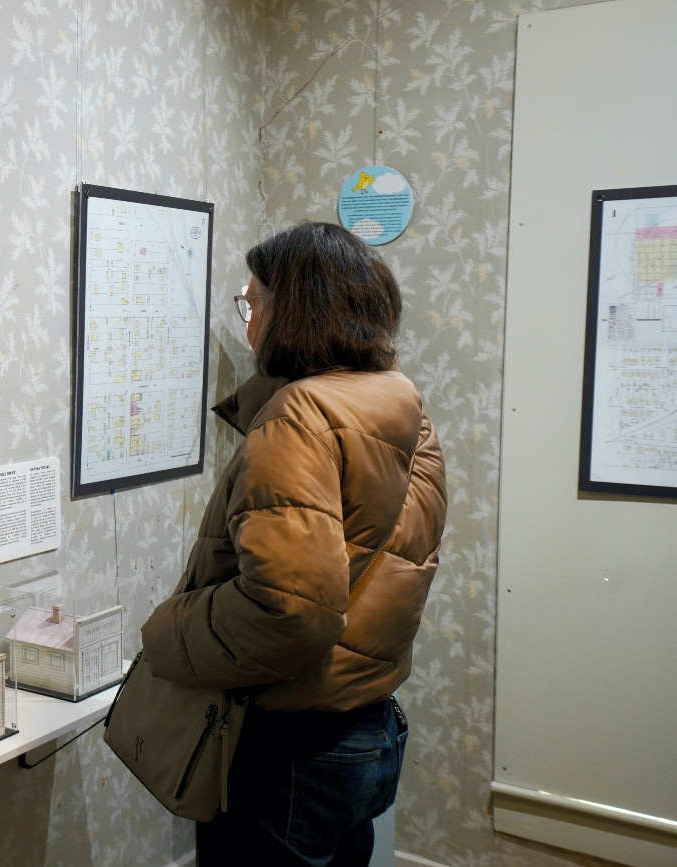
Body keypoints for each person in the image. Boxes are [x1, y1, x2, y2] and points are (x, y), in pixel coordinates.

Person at [139, 221, 448, 866]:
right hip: (368, 728)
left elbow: (291, 613)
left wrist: (166, 630)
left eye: (253, 302)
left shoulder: (299, 416)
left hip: (291, 748)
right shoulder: (399, 406)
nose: (247, 320)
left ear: (291, 313)